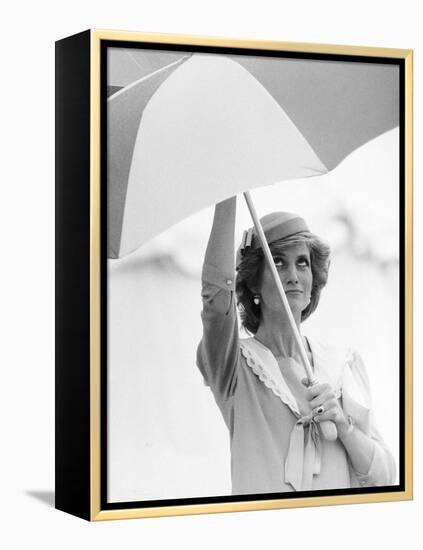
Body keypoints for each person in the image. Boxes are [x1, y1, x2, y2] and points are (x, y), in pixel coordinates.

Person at [196, 197, 396, 494]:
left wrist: (342, 424)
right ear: (253, 283)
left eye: (302, 263)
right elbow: (215, 300)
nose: (292, 276)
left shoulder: (341, 363)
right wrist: (227, 192)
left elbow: (384, 477)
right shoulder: (234, 364)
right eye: (278, 262)